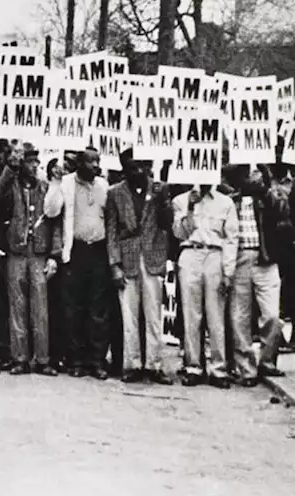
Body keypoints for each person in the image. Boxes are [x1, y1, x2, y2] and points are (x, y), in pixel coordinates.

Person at [0, 143, 59, 376]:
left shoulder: (45, 187)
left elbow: (55, 219)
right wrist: (11, 167)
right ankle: (19, 358)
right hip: (16, 252)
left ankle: (42, 358)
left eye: (36, 162)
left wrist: (53, 255)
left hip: (38, 253)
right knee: (17, 307)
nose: (34, 166)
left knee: (40, 308)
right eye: (29, 162)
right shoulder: (12, 186)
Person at [104, 149, 174, 385]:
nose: (138, 171)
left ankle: (154, 365)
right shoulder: (114, 193)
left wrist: (164, 200)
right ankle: (131, 364)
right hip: (127, 260)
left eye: (142, 166)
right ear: (125, 169)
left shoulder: (159, 189)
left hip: (152, 258)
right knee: (129, 316)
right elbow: (111, 231)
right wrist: (114, 265)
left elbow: (166, 224)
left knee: (154, 316)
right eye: (132, 167)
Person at [45, 147, 111, 379]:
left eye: (97, 161)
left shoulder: (104, 186)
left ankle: (97, 361)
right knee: (73, 309)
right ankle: (76, 361)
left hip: (99, 252)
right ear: (79, 163)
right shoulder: (65, 184)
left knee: (98, 310)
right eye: (90, 161)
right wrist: (54, 182)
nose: (95, 165)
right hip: (76, 252)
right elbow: (51, 211)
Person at [221, 164, 287, 385]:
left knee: (272, 315)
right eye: (247, 174)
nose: (252, 177)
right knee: (239, 317)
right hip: (239, 259)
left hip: (265, 259)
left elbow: (282, 210)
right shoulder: (230, 198)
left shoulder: (268, 196)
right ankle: (246, 369)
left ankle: (267, 361)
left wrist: (265, 188)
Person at [171, 181, 238, 388]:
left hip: (214, 255)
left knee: (215, 314)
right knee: (192, 314)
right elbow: (179, 233)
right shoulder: (181, 200)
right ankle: (193, 366)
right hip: (190, 252)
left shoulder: (225, 202)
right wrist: (190, 208)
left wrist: (228, 271)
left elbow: (231, 239)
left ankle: (218, 369)